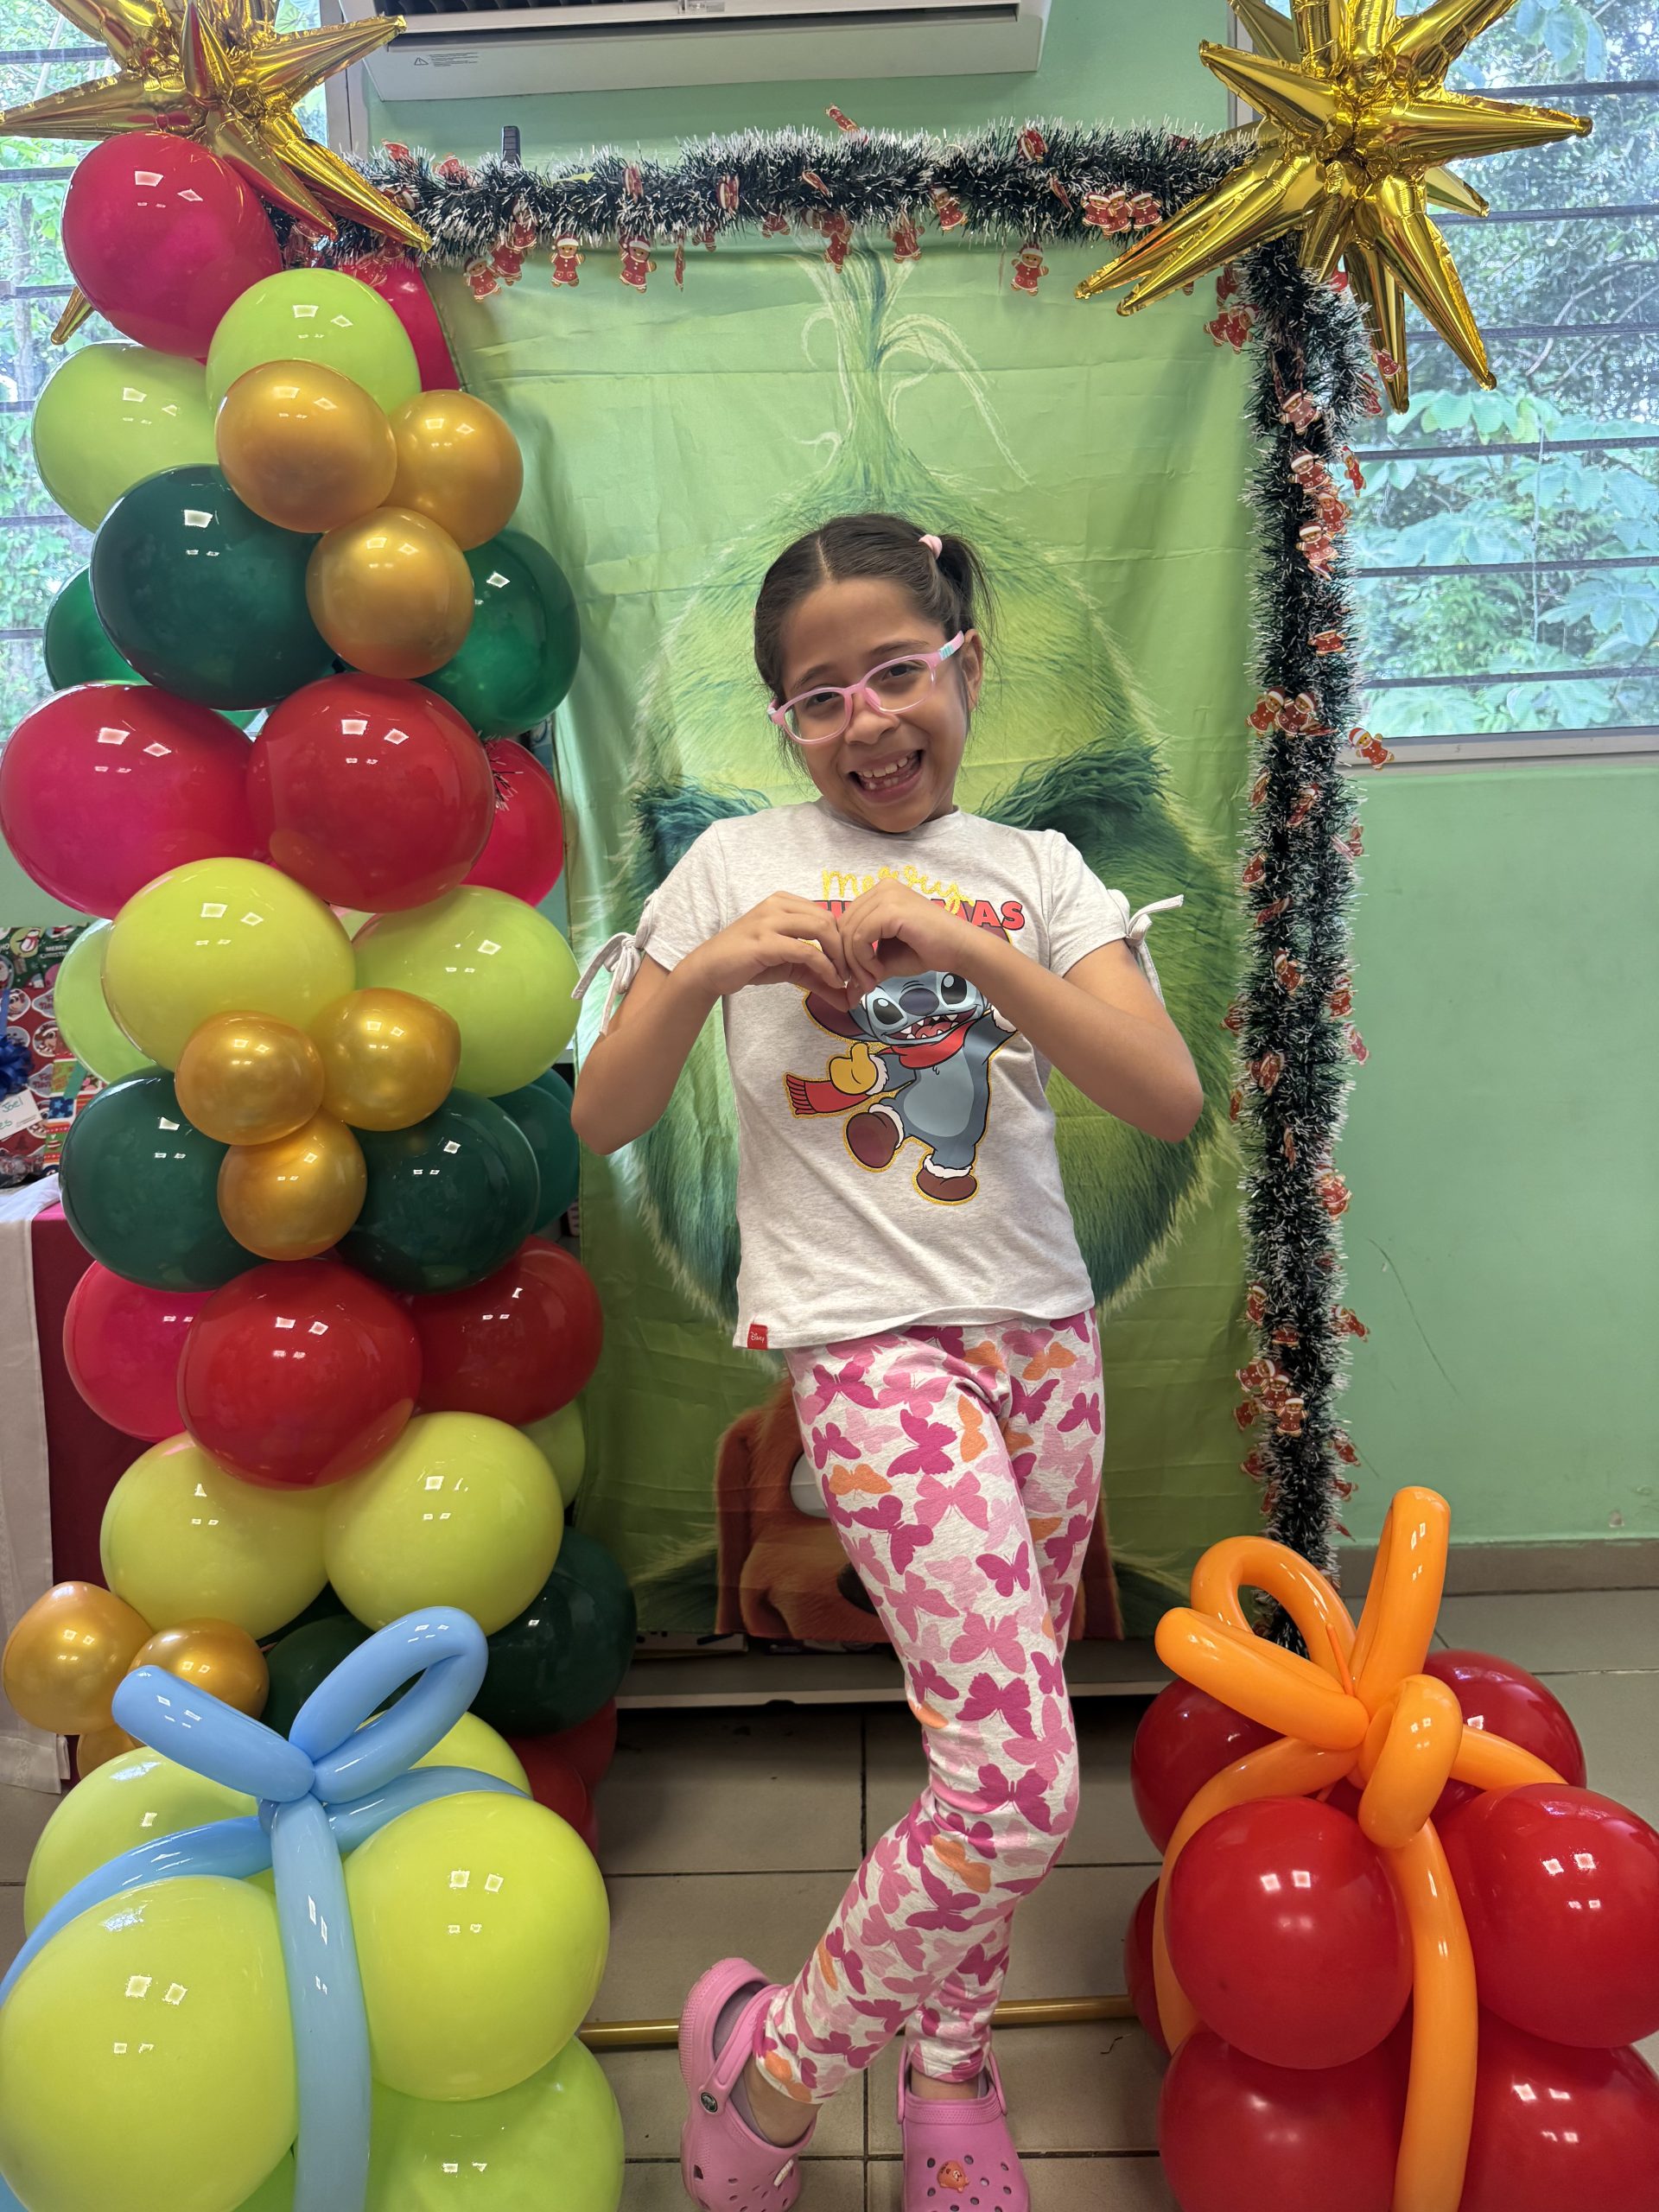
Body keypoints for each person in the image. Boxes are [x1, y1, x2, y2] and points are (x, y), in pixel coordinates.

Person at [571, 512, 1203, 2212]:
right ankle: (774, 2068)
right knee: (1019, 1786)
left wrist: (977, 944)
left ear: (962, 667)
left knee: (988, 1753)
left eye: (899, 672)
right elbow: (603, 1114)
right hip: (864, 1352)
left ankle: (950, 2072)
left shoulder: (1038, 869)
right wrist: (714, 967)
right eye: (821, 694)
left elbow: (1163, 1095)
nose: (869, 719)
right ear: (787, 720)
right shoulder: (733, 868)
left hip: (1042, 1345)